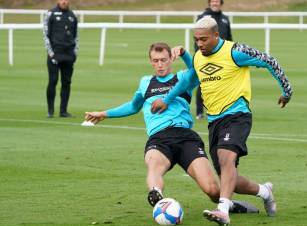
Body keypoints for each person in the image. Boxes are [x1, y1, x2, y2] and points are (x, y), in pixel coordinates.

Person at [84, 43, 258, 214]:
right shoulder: (145, 83)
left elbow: (196, 70)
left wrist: (184, 53)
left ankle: (230, 205)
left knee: (212, 190)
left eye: (163, 60)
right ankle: (156, 194)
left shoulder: (183, 79)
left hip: (185, 137)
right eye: (155, 60)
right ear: (150, 61)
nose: (160, 65)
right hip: (159, 138)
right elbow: (133, 106)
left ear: (170, 60)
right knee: (154, 165)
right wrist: (104, 114)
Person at [151, 17, 293, 226]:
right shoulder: (199, 57)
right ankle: (265, 191)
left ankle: (223, 210)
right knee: (229, 177)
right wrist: (167, 99)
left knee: (226, 158)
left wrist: (287, 91)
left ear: (216, 35)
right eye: (196, 39)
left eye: (204, 39)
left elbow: (269, 60)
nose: (199, 44)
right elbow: (189, 82)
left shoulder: (235, 51)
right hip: (214, 121)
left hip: (237, 115)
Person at [195, 0, 233, 120]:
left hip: (223, 57)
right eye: (213, 1)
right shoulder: (203, 18)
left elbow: (229, 38)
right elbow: (197, 38)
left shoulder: (225, 19)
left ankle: (219, 108)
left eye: (217, 1)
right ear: (209, 3)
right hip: (206, 55)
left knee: (221, 82)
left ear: (221, 3)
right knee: (203, 82)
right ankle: (199, 111)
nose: (215, 3)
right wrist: (200, 53)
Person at [43, 0, 79, 118]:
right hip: (55, 55)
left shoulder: (72, 16)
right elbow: (45, 34)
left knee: (66, 83)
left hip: (68, 55)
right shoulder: (50, 14)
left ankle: (63, 111)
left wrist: (75, 54)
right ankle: (50, 111)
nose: (64, 1)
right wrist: (51, 53)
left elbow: (76, 36)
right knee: (53, 81)